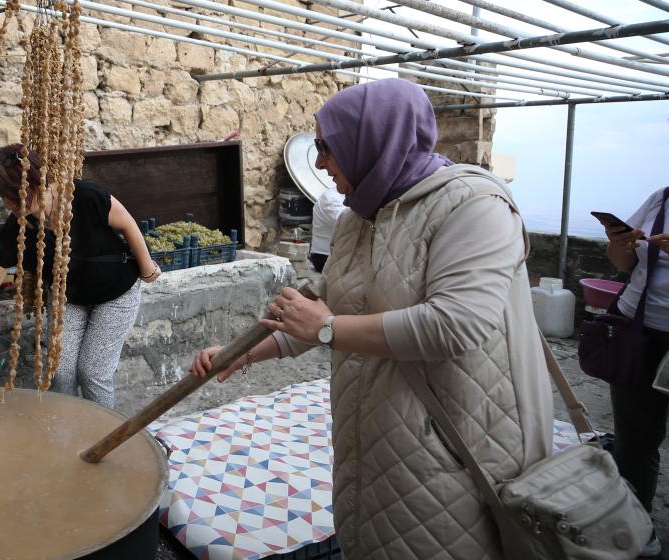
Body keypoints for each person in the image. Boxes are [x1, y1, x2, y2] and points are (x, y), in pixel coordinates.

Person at [191, 78, 552, 559]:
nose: (319, 162)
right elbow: (327, 309)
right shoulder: (358, 218)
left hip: (451, 446)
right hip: (375, 436)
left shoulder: (473, 205)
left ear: (372, 139)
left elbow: (457, 324)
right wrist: (241, 355)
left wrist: (327, 328)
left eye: (326, 147)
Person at [0, 144, 160, 407]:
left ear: (37, 182)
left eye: (16, 195)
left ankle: (106, 439)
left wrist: (147, 269)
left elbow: (127, 223)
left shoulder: (84, 195)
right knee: (60, 371)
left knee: (92, 373)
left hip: (115, 292)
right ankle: (66, 435)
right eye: (6, 197)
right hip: (69, 297)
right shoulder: (20, 227)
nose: (9, 204)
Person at [596, 103, 669, 559]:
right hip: (638, 333)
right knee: (635, 438)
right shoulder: (664, 199)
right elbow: (625, 267)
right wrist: (619, 245)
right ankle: (636, 528)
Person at [308, 185, 344, 273]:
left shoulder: (346, 196)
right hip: (325, 256)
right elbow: (345, 222)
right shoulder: (331, 197)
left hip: (338, 254)